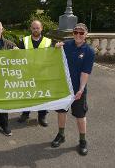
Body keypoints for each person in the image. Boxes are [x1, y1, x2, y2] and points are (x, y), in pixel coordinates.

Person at [51, 23, 95, 156]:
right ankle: (61, 134)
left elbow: (85, 73)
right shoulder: (66, 44)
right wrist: (55, 47)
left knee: (80, 115)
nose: (78, 35)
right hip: (63, 86)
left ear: (86, 35)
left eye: (81, 33)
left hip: (78, 88)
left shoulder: (89, 51)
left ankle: (82, 140)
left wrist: (81, 89)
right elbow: (51, 54)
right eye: (75, 32)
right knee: (61, 111)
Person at [17, 20, 53, 127]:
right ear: (30, 29)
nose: (35, 30)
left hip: (43, 73)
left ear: (41, 28)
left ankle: (42, 115)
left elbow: (52, 56)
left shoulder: (48, 41)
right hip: (27, 73)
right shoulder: (24, 40)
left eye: (37, 28)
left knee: (42, 95)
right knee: (27, 94)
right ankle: (25, 113)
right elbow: (18, 56)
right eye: (34, 28)